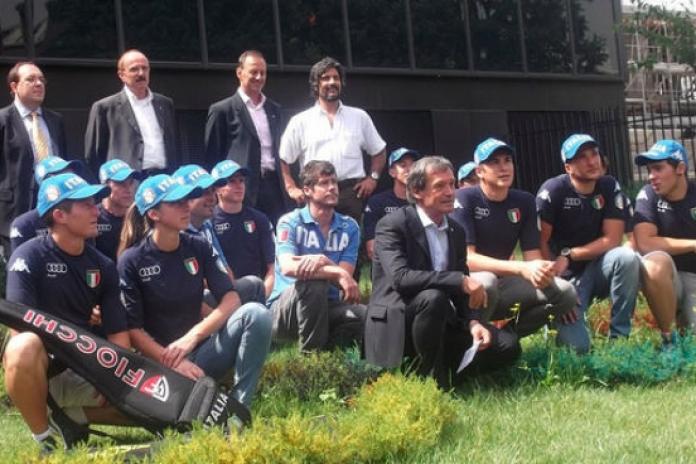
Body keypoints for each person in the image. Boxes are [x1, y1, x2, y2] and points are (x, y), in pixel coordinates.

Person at [364, 156, 520, 388]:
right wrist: (459, 280)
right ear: (417, 191)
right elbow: (401, 278)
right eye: (439, 186)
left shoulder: (456, 230)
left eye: (452, 184)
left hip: (439, 320)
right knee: (433, 297)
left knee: (507, 346)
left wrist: (473, 322)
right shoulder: (392, 225)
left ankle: (443, 372)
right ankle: (433, 383)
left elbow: (461, 291)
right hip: (396, 322)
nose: (450, 192)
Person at [117, 174, 271, 407]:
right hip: (161, 364)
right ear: (154, 214)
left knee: (257, 313)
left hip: (201, 351)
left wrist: (193, 337)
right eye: (175, 203)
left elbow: (231, 299)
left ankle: (239, 407)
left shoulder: (197, 245)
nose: (186, 207)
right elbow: (133, 331)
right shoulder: (131, 260)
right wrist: (173, 360)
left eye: (186, 200)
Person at [3, 172, 130, 452]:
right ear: (59, 215)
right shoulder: (27, 257)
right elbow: (18, 331)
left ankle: (71, 418)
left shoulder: (104, 266)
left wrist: (113, 380)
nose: (96, 211)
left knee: (144, 409)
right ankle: (44, 439)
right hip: (43, 371)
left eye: (94, 204)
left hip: (86, 368)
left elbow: (119, 335)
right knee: (23, 345)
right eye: (86, 205)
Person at [450, 138, 576, 338]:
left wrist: (546, 272)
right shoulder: (464, 198)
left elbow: (532, 257)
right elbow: (468, 259)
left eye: (507, 160)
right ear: (479, 171)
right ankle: (469, 344)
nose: (504, 167)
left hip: (505, 284)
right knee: (487, 281)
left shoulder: (524, 201)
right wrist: (520, 268)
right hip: (468, 285)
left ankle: (505, 340)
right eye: (494, 162)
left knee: (566, 292)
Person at [536, 134, 640, 353]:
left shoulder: (608, 185)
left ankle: (619, 340)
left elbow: (612, 239)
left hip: (597, 268)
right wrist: (558, 292)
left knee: (627, 257)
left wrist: (570, 254)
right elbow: (539, 244)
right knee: (577, 349)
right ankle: (550, 321)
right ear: (568, 167)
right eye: (582, 157)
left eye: (594, 154)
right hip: (562, 277)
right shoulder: (553, 190)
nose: (592, 161)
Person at [269, 160, 365, 352]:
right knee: (314, 283)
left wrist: (323, 261)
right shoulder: (290, 222)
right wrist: (335, 272)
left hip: (329, 305)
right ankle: (310, 356)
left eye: (334, 182)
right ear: (307, 190)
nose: (332, 188)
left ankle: (333, 357)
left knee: (364, 315)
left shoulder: (349, 227)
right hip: (285, 309)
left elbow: (344, 277)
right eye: (324, 183)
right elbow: (288, 267)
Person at [279, 57, 387, 222]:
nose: (332, 82)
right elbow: (284, 158)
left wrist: (373, 178)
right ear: (316, 84)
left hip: (351, 195)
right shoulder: (300, 121)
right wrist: (291, 187)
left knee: (352, 237)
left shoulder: (359, 117)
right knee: (316, 237)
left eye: (336, 78)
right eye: (326, 78)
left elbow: (379, 150)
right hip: (316, 193)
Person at [204, 50, 288, 227]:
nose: (259, 77)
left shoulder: (274, 109)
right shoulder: (222, 110)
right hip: (241, 188)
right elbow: (212, 156)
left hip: (274, 187)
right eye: (253, 72)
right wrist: (216, 191)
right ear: (239, 72)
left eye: (263, 73)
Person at [172, 163, 266, 304]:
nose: (212, 198)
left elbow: (225, 270)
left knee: (254, 285)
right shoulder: (175, 233)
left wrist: (228, 294)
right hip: (193, 302)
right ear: (183, 198)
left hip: (218, 292)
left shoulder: (206, 225)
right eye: (204, 193)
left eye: (212, 191)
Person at [633, 140, 696, 348]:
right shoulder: (648, 195)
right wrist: (693, 244)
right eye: (649, 170)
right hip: (667, 278)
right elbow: (645, 243)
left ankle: (683, 323)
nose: (651, 176)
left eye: (658, 168)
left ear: (680, 168)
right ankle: (668, 341)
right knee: (654, 262)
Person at [0, 62, 67, 257]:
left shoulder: (55, 120)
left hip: (52, 207)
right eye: (31, 79)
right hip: (14, 211)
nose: (38, 84)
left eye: (41, 80)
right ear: (14, 87)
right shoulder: (3, 120)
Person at [84, 49, 181, 176]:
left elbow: (176, 146)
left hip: (164, 178)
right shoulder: (105, 108)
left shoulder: (165, 104)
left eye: (144, 68)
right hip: (128, 181)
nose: (141, 73)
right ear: (121, 75)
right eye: (134, 69)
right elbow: (93, 155)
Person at [210, 160, 275, 298]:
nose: (239, 186)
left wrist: (263, 295)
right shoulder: (208, 223)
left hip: (258, 290)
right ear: (217, 189)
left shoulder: (259, 218)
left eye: (241, 181)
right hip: (223, 293)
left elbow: (272, 267)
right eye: (231, 181)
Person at [9, 156, 79, 254]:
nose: (73, 179)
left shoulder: (83, 217)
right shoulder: (24, 224)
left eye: (72, 174)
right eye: (65, 174)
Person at [363, 147, 419, 260]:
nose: (409, 170)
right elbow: (372, 249)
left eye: (413, 166)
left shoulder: (424, 201)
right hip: (390, 262)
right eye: (403, 165)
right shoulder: (377, 202)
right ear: (392, 172)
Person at [96, 159, 139, 262]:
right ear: (105, 186)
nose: (128, 189)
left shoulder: (140, 216)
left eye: (131, 183)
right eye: (121, 184)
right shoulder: (93, 215)